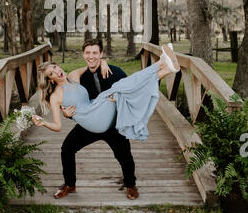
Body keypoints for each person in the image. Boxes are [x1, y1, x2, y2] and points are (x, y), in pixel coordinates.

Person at [32, 41, 180, 200]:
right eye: (51, 73)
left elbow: (127, 87)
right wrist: (57, 118)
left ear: (101, 54)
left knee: (124, 90)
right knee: (67, 149)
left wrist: (103, 64)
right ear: (51, 79)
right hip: (91, 120)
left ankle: (130, 184)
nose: (56, 72)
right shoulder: (61, 91)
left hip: (110, 120)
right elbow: (58, 123)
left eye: (55, 67)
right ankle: (70, 184)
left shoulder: (80, 75)